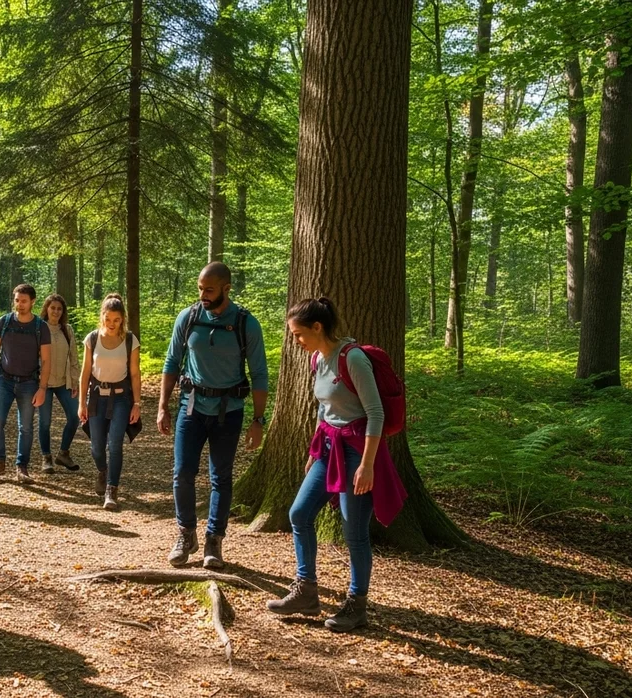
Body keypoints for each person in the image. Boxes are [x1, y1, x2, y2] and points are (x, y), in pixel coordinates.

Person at [265, 297, 407, 632]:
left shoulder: (352, 358)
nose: (296, 341)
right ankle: (306, 591)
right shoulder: (317, 358)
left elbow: (376, 414)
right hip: (328, 449)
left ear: (318, 327)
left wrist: (368, 466)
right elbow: (322, 409)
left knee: (353, 532)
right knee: (299, 513)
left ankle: (357, 606)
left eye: (299, 334)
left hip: (359, 451)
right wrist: (314, 452)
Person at [158, 262, 268, 570]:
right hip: (190, 408)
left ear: (226, 288)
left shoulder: (247, 323)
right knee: (182, 473)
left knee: (221, 477)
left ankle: (214, 541)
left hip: (228, 412)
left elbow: (259, 374)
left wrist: (258, 420)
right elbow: (171, 362)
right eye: (200, 289)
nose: (203, 295)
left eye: (209, 289)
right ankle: (185, 534)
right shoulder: (189, 317)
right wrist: (162, 405)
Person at [0, 284, 52, 483]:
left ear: (33, 302)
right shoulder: (4, 322)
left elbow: (46, 360)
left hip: (29, 382)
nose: (19, 305)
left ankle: (22, 467)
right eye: (17, 300)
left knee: (26, 427)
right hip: (4, 380)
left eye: (24, 301)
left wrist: (43, 388)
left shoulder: (40, 327)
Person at [78, 293, 141, 511]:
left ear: (122, 318)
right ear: (102, 317)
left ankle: (111, 490)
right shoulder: (92, 339)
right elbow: (85, 373)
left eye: (117, 319)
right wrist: (81, 403)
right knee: (96, 446)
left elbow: (135, 374)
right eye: (108, 319)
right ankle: (102, 471)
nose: (112, 324)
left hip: (122, 398)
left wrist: (137, 403)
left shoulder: (130, 340)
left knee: (115, 444)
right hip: (96, 397)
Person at [38, 294, 82, 474]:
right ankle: (46, 458)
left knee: (75, 416)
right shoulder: (39, 328)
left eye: (59, 309)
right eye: (52, 307)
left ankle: (63, 453)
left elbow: (74, 357)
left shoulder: (67, 330)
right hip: (44, 383)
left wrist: (75, 381)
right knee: (45, 422)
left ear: (63, 312)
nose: (55, 311)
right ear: (46, 309)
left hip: (64, 382)